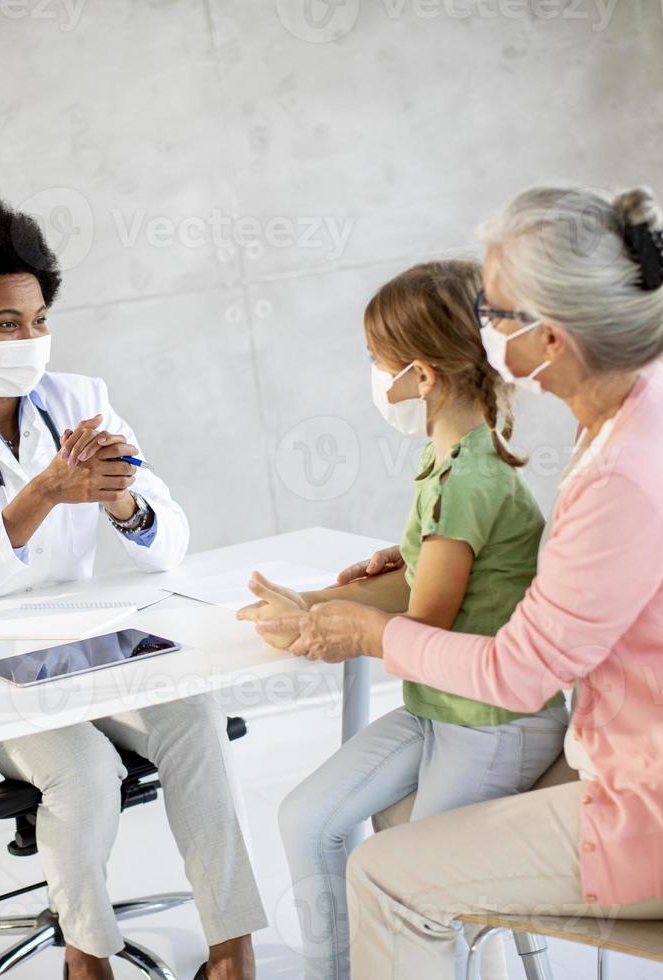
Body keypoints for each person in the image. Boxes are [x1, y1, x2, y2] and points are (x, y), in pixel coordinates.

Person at [242, 186, 663, 979]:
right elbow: (585, 593)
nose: (485, 330)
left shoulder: (624, 475)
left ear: (554, 338)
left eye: (495, 313)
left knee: (383, 876)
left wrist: (368, 632)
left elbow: (518, 670)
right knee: (398, 818)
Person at [0, 200, 266, 980]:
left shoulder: (79, 400)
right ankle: (85, 957)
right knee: (84, 771)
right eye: (7, 324)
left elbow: (171, 545)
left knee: (192, 710)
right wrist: (42, 494)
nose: (31, 341)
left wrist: (123, 499)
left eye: (40, 319)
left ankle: (232, 947)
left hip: (81, 651)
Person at [240, 260, 567, 980]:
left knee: (415, 887)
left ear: (420, 377)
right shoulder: (446, 463)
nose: (372, 377)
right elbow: (428, 584)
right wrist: (321, 602)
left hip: (492, 723)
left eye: (376, 362)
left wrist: (328, 615)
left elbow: (422, 630)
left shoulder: (469, 482)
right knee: (307, 819)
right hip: (440, 712)